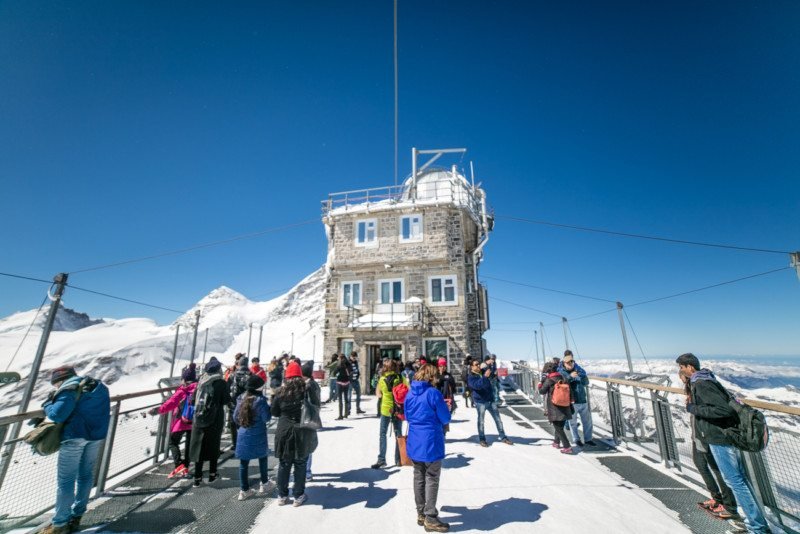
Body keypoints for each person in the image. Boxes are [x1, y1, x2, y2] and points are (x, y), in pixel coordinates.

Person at [677, 353, 770, 534]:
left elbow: (723, 410)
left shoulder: (702, 383)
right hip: (720, 437)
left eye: (681, 367)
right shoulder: (705, 379)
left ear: (690, 367)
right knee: (738, 479)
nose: (680, 370)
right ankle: (757, 525)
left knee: (735, 480)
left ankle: (757, 528)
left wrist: (693, 408)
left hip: (719, 437)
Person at [41, 366, 110, 534]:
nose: (56, 387)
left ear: (59, 380)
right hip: (96, 436)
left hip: (74, 436)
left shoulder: (69, 388)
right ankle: (77, 515)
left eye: (55, 385)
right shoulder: (98, 386)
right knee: (85, 476)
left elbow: (57, 415)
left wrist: (48, 404)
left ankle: (60, 524)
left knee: (66, 481)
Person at [678, 370, 739, 520]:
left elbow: (719, 409)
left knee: (716, 469)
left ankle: (729, 505)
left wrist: (692, 407)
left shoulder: (701, 385)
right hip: (698, 434)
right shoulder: (694, 387)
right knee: (701, 463)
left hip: (707, 435)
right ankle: (717, 498)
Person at [405, 364, 452, 533]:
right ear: (431, 377)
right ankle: (430, 516)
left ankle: (421, 512)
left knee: (419, 475)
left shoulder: (410, 393)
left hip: (415, 439)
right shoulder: (433, 393)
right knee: (432, 477)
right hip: (431, 439)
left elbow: (407, 416)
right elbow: (445, 417)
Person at [271, 361, 319, 506]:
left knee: (284, 463)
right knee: (300, 462)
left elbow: (274, 412)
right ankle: (298, 495)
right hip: (302, 430)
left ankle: (282, 495)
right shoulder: (306, 390)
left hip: (284, 430)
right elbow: (316, 405)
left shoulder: (280, 392)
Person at [149, 363, 198, 478]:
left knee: (172, 442)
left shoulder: (183, 390)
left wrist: (157, 410)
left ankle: (179, 465)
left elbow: (170, 404)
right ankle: (185, 467)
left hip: (181, 421)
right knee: (189, 445)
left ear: (184, 379)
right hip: (195, 421)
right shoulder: (200, 388)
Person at [190, 357, 232, 486]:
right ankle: (212, 474)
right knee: (213, 445)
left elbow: (193, 400)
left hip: (198, 418)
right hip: (215, 418)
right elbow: (226, 400)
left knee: (199, 446)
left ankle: (197, 478)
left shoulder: (201, 381)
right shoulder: (221, 383)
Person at [234, 374, 271, 500]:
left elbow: (235, 417)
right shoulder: (260, 401)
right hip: (258, 434)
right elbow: (266, 418)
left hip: (243, 434)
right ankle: (264, 483)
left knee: (243, 463)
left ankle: (244, 490)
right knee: (263, 458)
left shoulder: (240, 398)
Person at [467, 359, 513, 447]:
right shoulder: (471, 377)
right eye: (476, 364)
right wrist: (485, 377)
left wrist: (491, 365)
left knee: (498, 420)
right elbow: (477, 386)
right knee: (481, 422)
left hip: (490, 400)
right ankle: (482, 439)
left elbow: (491, 373)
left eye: (478, 364)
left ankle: (503, 437)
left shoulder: (483, 371)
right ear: (472, 367)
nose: (478, 366)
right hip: (480, 402)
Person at [558, 351, 595, 447]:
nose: (570, 364)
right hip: (571, 401)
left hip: (582, 398)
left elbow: (586, 382)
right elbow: (561, 383)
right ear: (564, 363)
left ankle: (588, 439)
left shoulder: (579, 370)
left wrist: (582, 377)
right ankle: (576, 439)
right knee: (573, 422)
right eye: (568, 362)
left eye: (572, 362)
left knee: (587, 421)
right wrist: (570, 377)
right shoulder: (561, 372)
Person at [372, 360, 403, 468]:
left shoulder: (381, 379)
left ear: (384, 368)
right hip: (397, 409)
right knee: (398, 434)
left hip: (385, 409)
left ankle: (381, 460)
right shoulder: (400, 378)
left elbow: (378, 394)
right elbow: (407, 389)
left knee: (382, 434)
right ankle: (398, 459)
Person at [539, 361, 574, 454]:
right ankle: (556, 442)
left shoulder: (549, 380)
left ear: (548, 371)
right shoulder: (563, 377)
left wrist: (540, 384)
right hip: (565, 406)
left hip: (554, 408)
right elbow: (570, 391)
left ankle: (567, 447)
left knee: (558, 428)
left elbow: (542, 391)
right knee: (560, 426)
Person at [228, 356, 253, 450]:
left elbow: (228, 388)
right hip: (246, 403)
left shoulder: (232, 375)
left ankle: (235, 443)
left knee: (233, 423)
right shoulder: (250, 375)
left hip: (233, 403)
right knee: (245, 422)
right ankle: (245, 442)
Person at [301, 361, 320, 481]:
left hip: (307, 418)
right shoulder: (314, 384)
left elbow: (309, 404)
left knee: (306, 445)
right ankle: (307, 471)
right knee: (308, 445)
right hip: (312, 417)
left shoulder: (308, 386)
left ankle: (306, 471)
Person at [335, 353, 352, 420]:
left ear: (340, 358)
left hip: (339, 382)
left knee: (340, 399)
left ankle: (340, 415)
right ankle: (346, 414)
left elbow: (335, 372)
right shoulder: (348, 364)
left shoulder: (339, 365)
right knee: (346, 398)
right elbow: (351, 372)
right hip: (347, 382)